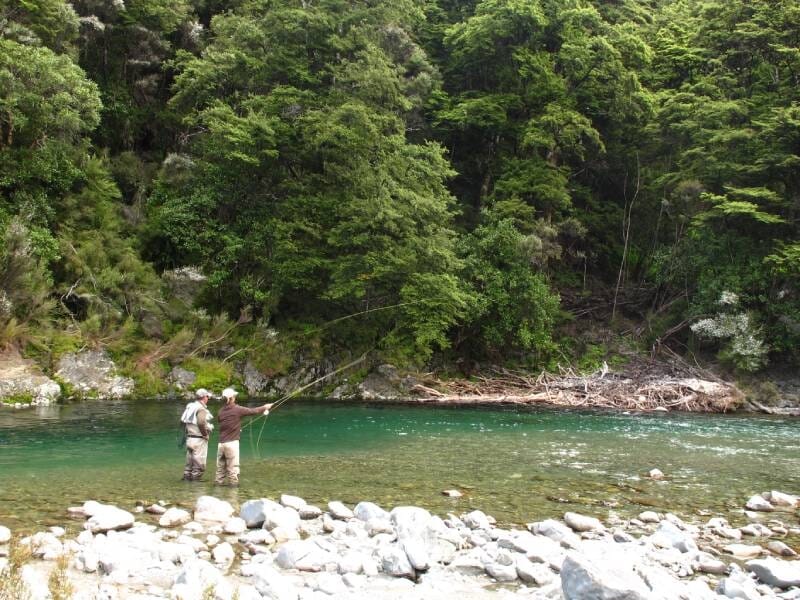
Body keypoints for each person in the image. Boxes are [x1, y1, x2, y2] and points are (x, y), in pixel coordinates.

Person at [215, 387, 272, 486]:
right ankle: (233, 492)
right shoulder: (237, 409)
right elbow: (253, 411)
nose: (235, 397)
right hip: (231, 444)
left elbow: (224, 423)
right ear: (231, 398)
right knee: (233, 470)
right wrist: (265, 407)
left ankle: (217, 489)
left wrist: (235, 429)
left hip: (221, 445)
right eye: (234, 396)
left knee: (220, 470)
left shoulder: (220, 411)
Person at [180, 388, 214, 481]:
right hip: (198, 439)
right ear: (204, 397)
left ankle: (186, 478)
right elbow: (201, 422)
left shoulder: (190, 406)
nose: (208, 398)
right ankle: (196, 481)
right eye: (207, 396)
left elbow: (183, 422)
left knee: (189, 462)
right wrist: (205, 434)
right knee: (199, 463)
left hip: (189, 438)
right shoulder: (201, 409)